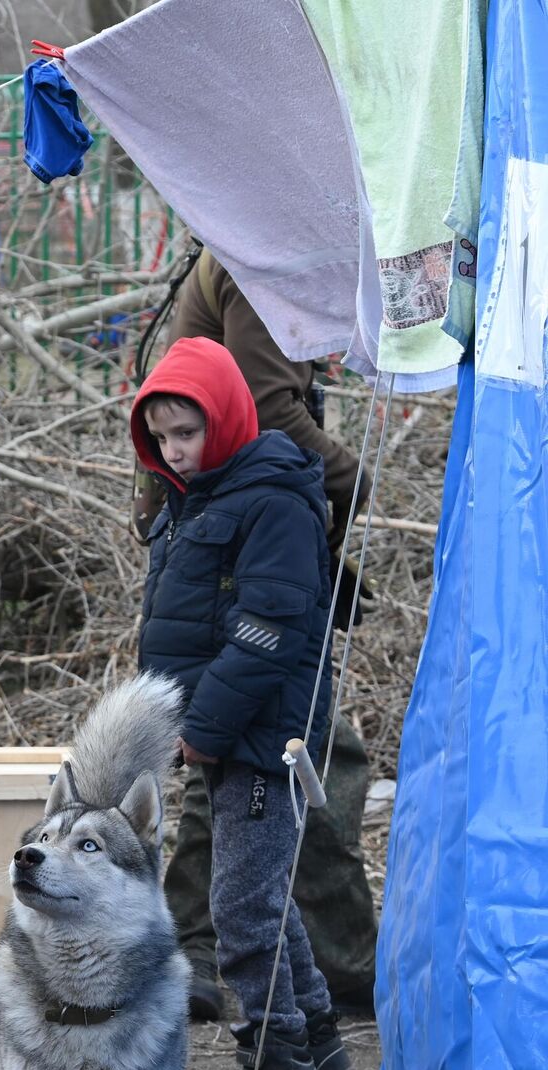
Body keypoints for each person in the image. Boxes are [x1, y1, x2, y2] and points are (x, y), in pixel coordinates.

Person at [137, 248, 379, 1018]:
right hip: (228, 588)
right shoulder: (260, 260)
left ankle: (221, 966)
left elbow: (265, 635)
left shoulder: (261, 246)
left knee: (251, 773)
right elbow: (264, 402)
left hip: (226, 588)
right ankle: (320, 977)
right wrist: (350, 482)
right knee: (296, 762)